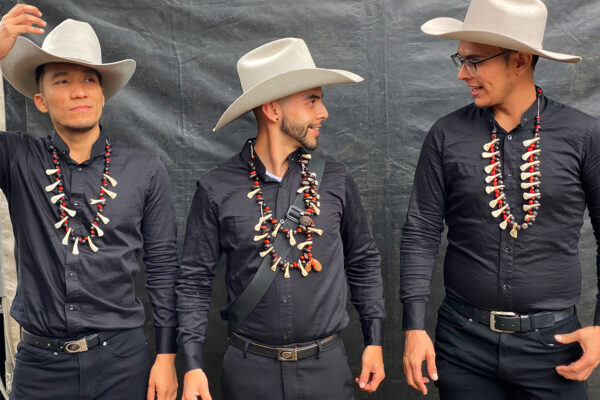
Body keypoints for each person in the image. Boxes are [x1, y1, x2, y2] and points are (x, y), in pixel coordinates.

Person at [400, 0, 600, 398]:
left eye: (474, 61)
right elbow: (420, 231)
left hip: (554, 348)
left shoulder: (583, 135)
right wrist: (413, 326)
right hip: (462, 345)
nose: (462, 74)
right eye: (461, 59)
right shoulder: (446, 134)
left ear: (521, 61)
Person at [176, 37, 385, 400]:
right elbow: (194, 281)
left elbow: (363, 259)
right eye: (312, 100)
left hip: (327, 369)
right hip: (248, 372)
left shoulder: (336, 178)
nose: (323, 113)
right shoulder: (216, 188)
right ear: (273, 110)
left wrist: (375, 340)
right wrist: (192, 364)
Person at [0, 5, 178, 399]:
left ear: (102, 94)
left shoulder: (145, 168)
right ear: (40, 100)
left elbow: (163, 268)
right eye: (61, 81)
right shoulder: (17, 158)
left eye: (89, 80)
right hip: (40, 366)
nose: (78, 90)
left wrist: (166, 356)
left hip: (122, 361)